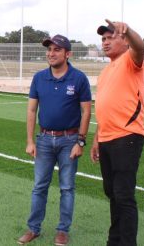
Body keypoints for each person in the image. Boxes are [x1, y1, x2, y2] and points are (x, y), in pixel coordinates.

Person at [18, 34, 92, 246]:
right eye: (49, 50)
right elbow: (32, 110)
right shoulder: (39, 78)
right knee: (39, 186)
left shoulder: (79, 78)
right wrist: (30, 141)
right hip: (44, 140)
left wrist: (80, 142)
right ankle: (34, 228)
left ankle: (62, 230)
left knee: (67, 187)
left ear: (68, 54)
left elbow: (86, 112)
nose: (51, 53)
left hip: (69, 140)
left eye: (56, 50)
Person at [90, 19, 144, 246]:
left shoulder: (131, 60)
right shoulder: (104, 72)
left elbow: (141, 47)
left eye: (110, 37)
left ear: (124, 40)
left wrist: (129, 30)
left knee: (123, 195)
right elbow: (103, 107)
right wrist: (96, 138)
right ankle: (114, 241)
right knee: (112, 193)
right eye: (103, 39)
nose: (105, 42)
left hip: (127, 137)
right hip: (106, 139)